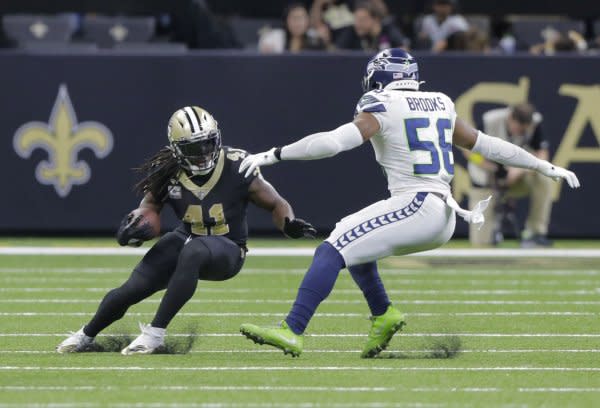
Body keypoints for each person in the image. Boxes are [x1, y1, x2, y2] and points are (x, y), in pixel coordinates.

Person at [237, 49, 580, 358]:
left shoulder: (380, 103)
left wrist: (275, 154)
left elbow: (334, 142)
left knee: (331, 248)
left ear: (381, 78)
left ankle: (292, 329)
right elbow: (486, 145)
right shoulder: (441, 102)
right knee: (355, 242)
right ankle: (384, 313)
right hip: (442, 212)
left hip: (418, 205)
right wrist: (541, 164)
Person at [56, 106, 316, 355]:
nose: (203, 152)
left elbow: (276, 203)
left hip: (228, 249)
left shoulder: (237, 164)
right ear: (177, 149)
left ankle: (154, 334)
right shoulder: (168, 169)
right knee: (133, 287)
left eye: (207, 143)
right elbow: (150, 207)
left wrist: (288, 223)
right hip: (187, 237)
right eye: (193, 147)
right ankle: (85, 335)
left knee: (193, 250)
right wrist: (136, 224)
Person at [468, 103, 555, 247]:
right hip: (486, 181)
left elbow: (543, 155)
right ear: (510, 118)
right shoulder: (489, 120)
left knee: (544, 177)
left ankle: (535, 233)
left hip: (516, 180)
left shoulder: (535, 123)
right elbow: (469, 152)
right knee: (481, 245)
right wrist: (493, 169)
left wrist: (518, 171)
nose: (521, 133)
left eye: (524, 130)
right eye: (519, 128)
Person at [335, 1, 407, 52]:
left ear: (375, 19)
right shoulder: (352, 31)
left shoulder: (388, 30)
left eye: (362, 19)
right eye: (356, 19)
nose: (357, 24)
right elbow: (337, 53)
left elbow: (404, 49)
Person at [259, 3, 326, 54]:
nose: (298, 22)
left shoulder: (315, 37)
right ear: (286, 21)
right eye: (294, 18)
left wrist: (325, 42)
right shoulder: (274, 37)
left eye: (301, 18)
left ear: (308, 20)